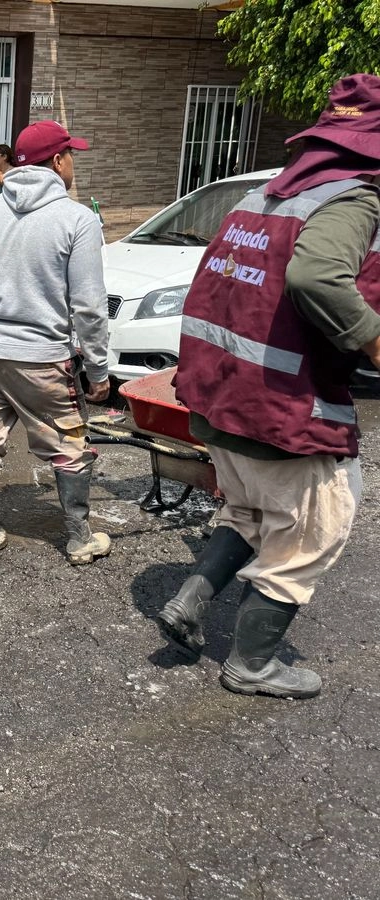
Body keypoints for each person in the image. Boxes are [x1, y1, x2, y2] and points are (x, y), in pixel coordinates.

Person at [160, 74, 380, 700]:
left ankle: (190, 599)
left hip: (219, 395)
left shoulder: (264, 198)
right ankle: (251, 664)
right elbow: (317, 278)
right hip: (279, 405)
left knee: (250, 508)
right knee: (313, 529)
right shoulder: (355, 202)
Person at [0, 120, 111, 565]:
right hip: (42, 357)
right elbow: (89, 306)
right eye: (71, 155)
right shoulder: (77, 220)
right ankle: (79, 540)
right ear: (57, 161)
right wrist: (98, 370)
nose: (72, 163)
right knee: (69, 444)